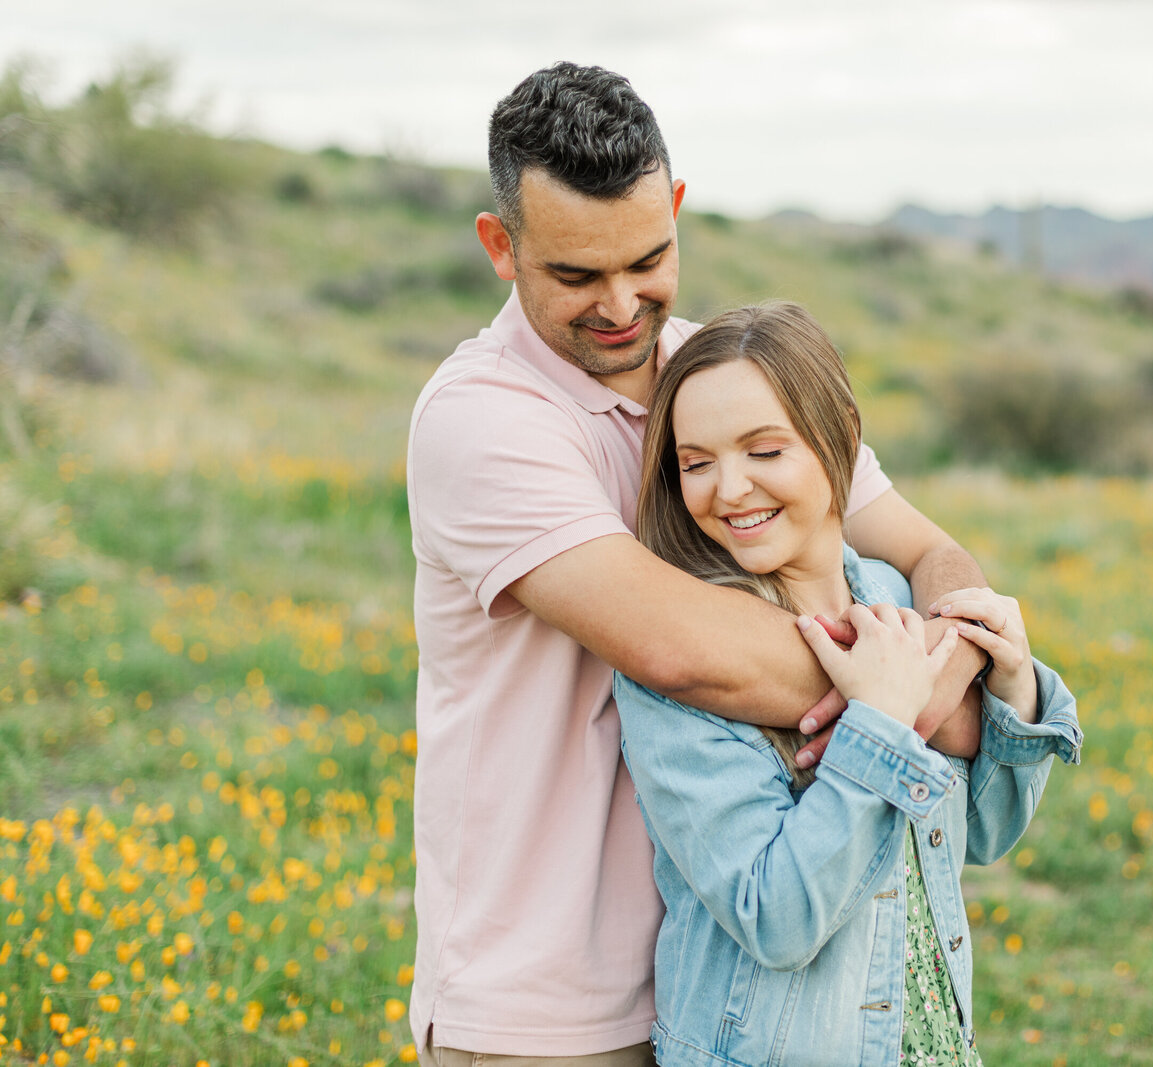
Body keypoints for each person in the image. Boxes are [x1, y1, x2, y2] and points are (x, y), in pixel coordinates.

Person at [405, 64, 993, 1065]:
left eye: (647, 259)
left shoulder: (724, 383)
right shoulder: (482, 419)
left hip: (727, 980)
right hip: (547, 1001)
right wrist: (927, 697)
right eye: (577, 276)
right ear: (500, 246)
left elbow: (927, 547)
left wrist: (960, 638)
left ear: (675, 210)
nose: (622, 304)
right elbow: (683, 650)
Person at [615, 302, 1082, 1066]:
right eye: (696, 461)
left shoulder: (902, 606)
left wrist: (1014, 682)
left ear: (840, 443)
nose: (728, 489)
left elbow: (989, 829)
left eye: (764, 450)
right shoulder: (682, 661)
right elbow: (774, 917)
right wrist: (881, 726)